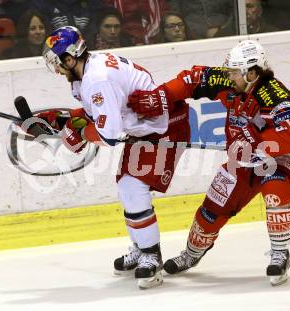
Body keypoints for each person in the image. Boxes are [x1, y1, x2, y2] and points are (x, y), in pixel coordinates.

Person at [127, 40, 290, 286]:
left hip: (281, 158)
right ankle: (191, 255)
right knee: (211, 211)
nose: (229, 76)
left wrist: (259, 144)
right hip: (242, 161)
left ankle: (279, 254)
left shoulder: (273, 95)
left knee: (275, 188)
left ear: (252, 73)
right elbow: (194, 78)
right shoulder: (230, 82)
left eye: (234, 72)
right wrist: (160, 96)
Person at [42, 26, 190, 289]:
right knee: (127, 188)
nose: (55, 69)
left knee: (133, 186)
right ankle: (141, 245)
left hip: (165, 128)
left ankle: (151, 256)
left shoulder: (97, 79)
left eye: (57, 61)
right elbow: (96, 113)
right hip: (145, 128)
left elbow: (108, 134)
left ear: (69, 58)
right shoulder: (86, 71)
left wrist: (79, 134)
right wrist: (60, 119)